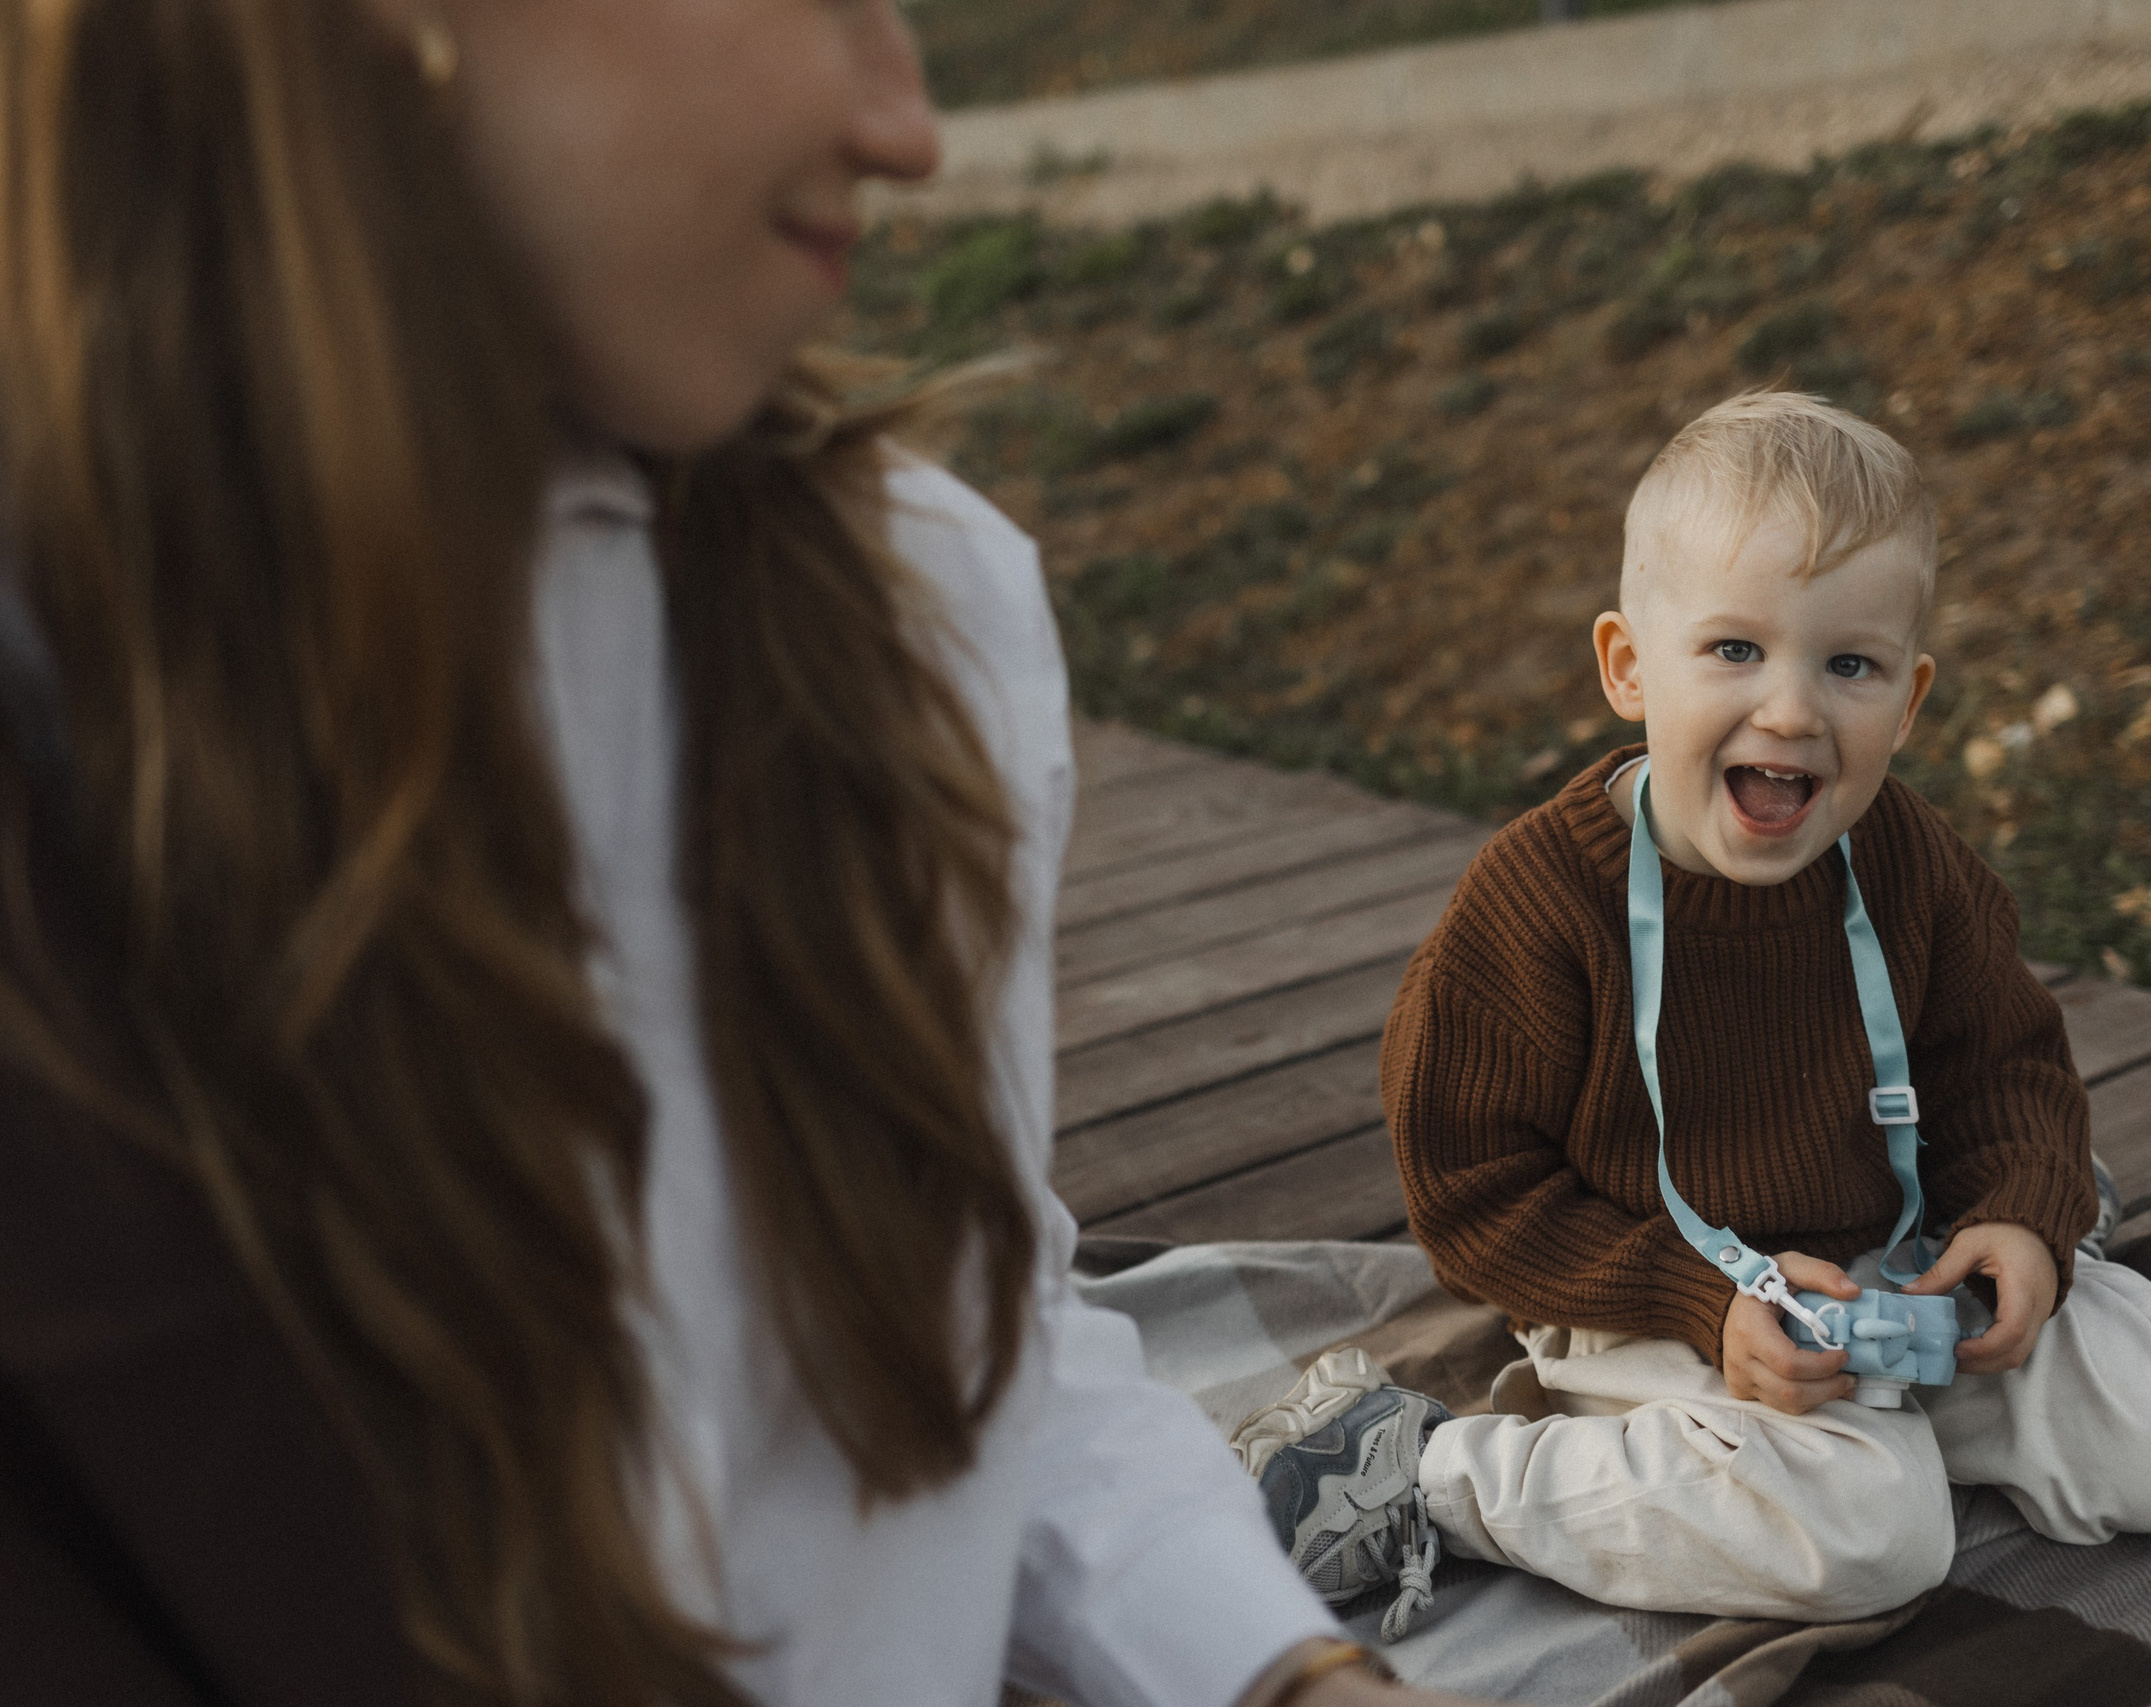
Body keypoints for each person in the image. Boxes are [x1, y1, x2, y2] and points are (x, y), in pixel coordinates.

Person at [0, 3, 1470, 1704]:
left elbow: (976, 1339)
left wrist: (1284, 1668)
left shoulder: (924, 613)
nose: (909, 127)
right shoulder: (60, 776)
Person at [1251, 392, 2151, 1625]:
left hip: (1896, 1257)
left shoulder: (1909, 858)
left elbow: (2005, 1067)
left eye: (1848, 665)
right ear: (1628, 666)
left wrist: (2020, 1213)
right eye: (1734, 650)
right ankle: (1420, 1473)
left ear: (1909, 701)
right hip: (1651, 1291)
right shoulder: (1535, 906)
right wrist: (1700, 1296)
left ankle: (1904, 1401)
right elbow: (1471, 1194)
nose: (1790, 710)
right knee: (1868, 1539)